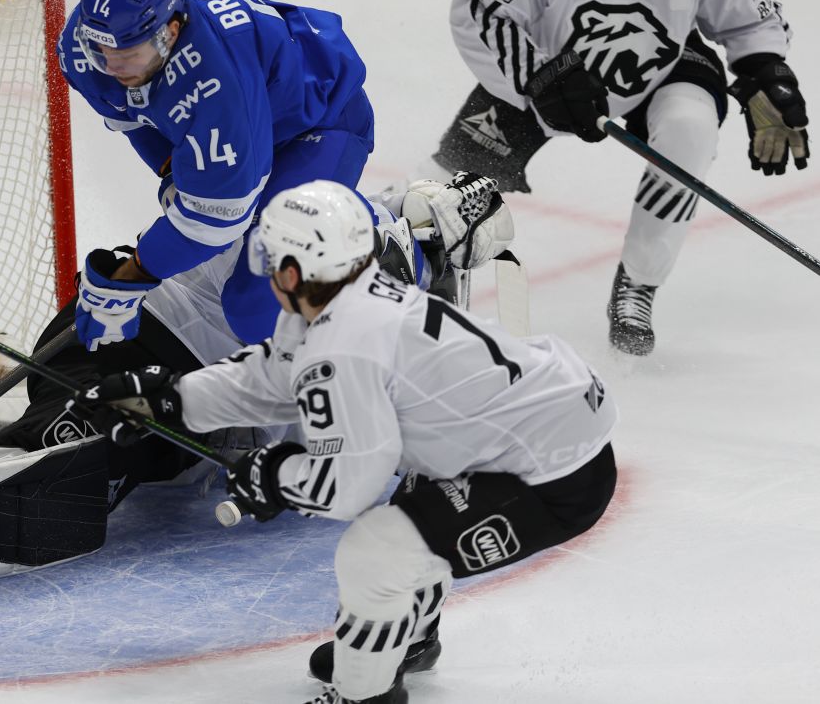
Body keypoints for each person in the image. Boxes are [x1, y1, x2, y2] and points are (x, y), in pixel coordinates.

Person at [0, 171, 518, 619]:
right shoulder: (371, 261)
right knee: (57, 489)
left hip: (169, 377)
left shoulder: (348, 223)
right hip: (135, 348)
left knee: (72, 477)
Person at [71, 180, 617, 704]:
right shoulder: (338, 297)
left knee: (378, 551)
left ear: (292, 269)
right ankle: (404, 639)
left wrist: (275, 476)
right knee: (416, 511)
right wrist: (171, 400)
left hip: (555, 473)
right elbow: (272, 375)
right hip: (517, 433)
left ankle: (365, 696)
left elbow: (348, 485)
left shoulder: (346, 341)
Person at [420, 0, 805, 355]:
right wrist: (539, 77)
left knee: (691, 129)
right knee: (437, 191)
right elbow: (478, 5)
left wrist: (767, 71)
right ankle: (413, 301)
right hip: (551, 70)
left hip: (662, 61)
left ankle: (638, 283)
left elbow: (749, 17)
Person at [61, 0, 381, 353]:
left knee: (257, 313)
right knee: (237, 247)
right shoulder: (87, 47)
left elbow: (213, 223)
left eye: (128, 56)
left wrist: (130, 278)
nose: (112, 67)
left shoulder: (216, 80)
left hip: (317, 126)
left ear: (170, 32)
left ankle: (386, 235)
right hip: (254, 120)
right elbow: (131, 116)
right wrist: (171, 170)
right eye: (101, 52)